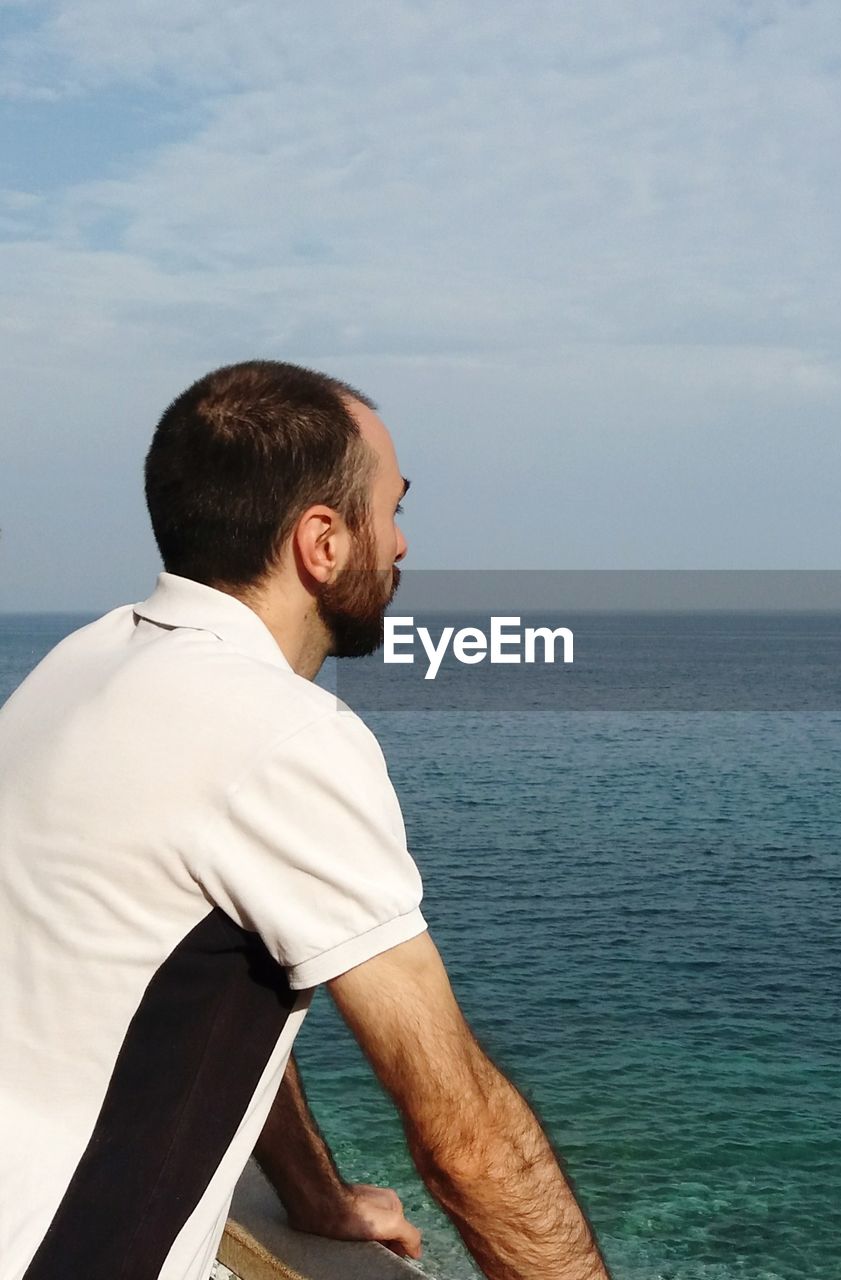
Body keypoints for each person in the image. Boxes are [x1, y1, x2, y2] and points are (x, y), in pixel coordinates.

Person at [0, 360, 611, 1280]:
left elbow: (215, 954)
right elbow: (464, 1137)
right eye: (392, 510)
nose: (401, 544)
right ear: (321, 541)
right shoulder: (283, 737)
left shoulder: (85, 662)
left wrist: (313, 1194)